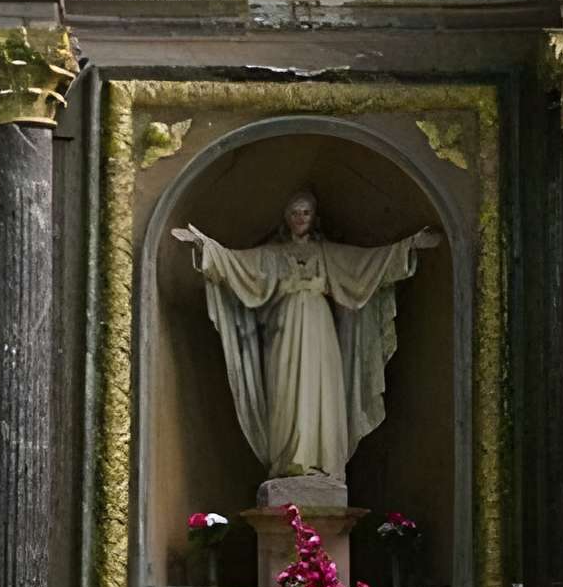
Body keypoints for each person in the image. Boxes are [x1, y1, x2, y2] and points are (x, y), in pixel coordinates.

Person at [172, 190, 440, 483]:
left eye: (306, 213)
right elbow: (236, 263)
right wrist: (204, 246)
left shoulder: (329, 253)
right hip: (283, 331)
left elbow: (368, 263)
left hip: (320, 329)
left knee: (321, 388)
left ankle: (323, 462)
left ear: (314, 217)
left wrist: (408, 247)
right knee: (285, 390)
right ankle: (289, 463)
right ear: (286, 218)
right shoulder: (272, 256)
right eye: (295, 212)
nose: (300, 218)